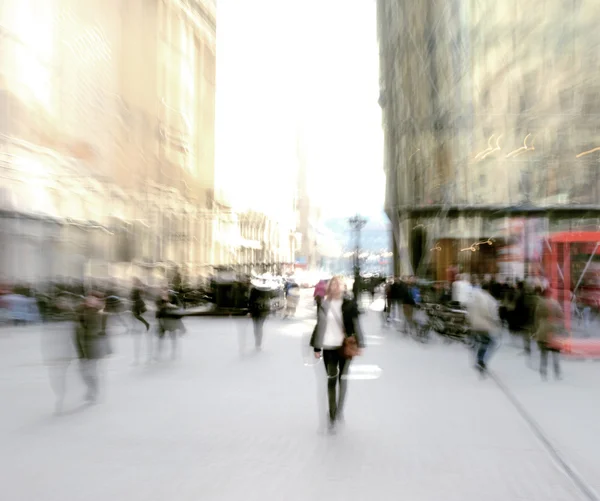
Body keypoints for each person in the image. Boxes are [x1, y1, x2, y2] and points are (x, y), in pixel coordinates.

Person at [310, 276, 365, 433]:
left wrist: (360, 342)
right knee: (331, 380)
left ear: (343, 287)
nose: (335, 287)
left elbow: (356, 324)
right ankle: (332, 415)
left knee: (343, 379)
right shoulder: (323, 304)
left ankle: (339, 408)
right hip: (328, 347)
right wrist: (316, 346)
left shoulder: (349, 304)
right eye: (332, 284)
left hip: (344, 347)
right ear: (329, 288)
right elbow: (319, 325)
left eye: (338, 284)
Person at [74, 292, 110, 403]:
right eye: (89, 298)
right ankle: (91, 389)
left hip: (93, 345)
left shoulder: (99, 314)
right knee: (82, 371)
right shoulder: (80, 310)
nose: (90, 300)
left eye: (93, 299)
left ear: (97, 301)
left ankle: (93, 390)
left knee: (90, 370)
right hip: (81, 346)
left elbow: (99, 331)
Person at [467, 282, 500, 375]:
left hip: (474, 324)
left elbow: (469, 311)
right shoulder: (489, 299)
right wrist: (495, 321)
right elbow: (489, 312)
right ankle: (481, 362)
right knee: (491, 343)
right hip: (484, 325)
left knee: (482, 342)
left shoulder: (473, 298)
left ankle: (479, 360)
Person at [534, 288, 563, 380]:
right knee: (555, 354)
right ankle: (557, 373)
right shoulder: (555, 303)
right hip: (554, 331)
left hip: (543, 330)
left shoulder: (540, 304)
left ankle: (543, 373)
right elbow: (561, 315)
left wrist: (536, 329)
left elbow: (536, 317)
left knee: (544, 354)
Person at [248, 284, 271, 350]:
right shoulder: (267, 289)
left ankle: (258, 342)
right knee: (259, 327)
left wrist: (250, 311)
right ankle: (258, 343)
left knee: (257, 327)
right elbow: (268, 301)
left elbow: (251, 301)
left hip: (257, 311)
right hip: (261, 311)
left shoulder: (254, 289)